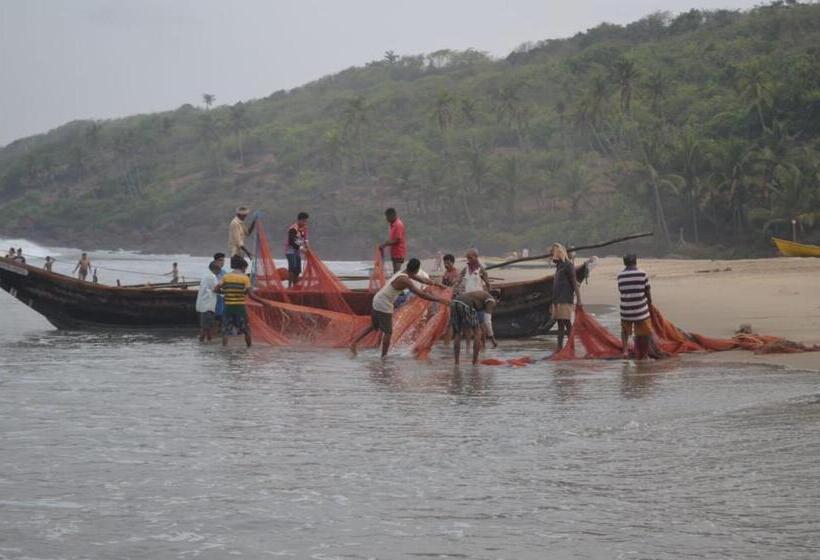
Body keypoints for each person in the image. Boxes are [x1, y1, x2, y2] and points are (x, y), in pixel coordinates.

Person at [350, 257, 449, 358]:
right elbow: (420, 294)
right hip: (384, 303)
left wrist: (438, 284)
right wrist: (439, 299)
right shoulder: (405, 280)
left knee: (375, 326)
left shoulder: (404, 273)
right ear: (416, 269)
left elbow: (422, 279)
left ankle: (354, 343)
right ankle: (383, 357)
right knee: (388, 332)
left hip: (377, 299)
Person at [618, 254, 653, 360]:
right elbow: (647, 291)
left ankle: (624, 351)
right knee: (645, 332)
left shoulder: (620, 275)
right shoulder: (642, 273)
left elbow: (621, 290)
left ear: (624, 263)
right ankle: (645, 353)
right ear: (635, 261)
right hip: (640, 309)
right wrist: (650, 304)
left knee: (625, 331)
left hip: (626, 310)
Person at [215, 255, 253, 347]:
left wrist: (225, 292)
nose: (245, 270)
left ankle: (225, 351)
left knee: (225, 332)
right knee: (246, 331)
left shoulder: (226, 277)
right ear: (243, 267)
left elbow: (216, 289)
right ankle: (249, 350)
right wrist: (243, 293)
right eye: (245, 268)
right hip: (240, 307)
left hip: (228, 307)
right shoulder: (245, 278)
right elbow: (250, 294)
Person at [451, 290, 497, 365]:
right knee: (478, 332)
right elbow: (487, 321)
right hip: (466, 305)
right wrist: (493, 339)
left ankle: (457, 362)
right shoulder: (491, 300)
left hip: (454, 302)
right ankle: (475, 361)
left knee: (457, 334)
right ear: (496, 299)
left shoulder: (480, 295)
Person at [550, 242, 581, 349]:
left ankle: (570, 347)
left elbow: (574, 282)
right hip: (557, 300)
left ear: (560, 254)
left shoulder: (568, 265)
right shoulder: (559, 266)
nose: (553, 255)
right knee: (560, 325)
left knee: (566, 324)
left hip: (565, 299)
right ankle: (560, 348)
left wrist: (579, 300)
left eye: (554, 253)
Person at [196, 261, 221, 342]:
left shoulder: (206, 275)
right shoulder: (212, 277)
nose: (220, 268)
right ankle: (206, 344)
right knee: (207, 327)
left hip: (204, 305)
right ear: (215, 269)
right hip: (208, 306)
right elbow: (216, 289)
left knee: (205, 327)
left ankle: (204, 345)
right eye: (219, 267)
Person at [285, 212, 309, 287]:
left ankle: (295, 285)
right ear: (299, 220)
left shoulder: (304, 228)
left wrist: (307, 246)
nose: (305, 222)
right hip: (290, 251)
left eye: (306, 221)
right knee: (292, 267)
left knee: (298, 270)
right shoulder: (293, 228)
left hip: (297, 251)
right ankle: (289, 286)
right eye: (304, 221)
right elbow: (292, 241)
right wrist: (301, 248)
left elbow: (305, 239)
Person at [379, 207, 407, 274]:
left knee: (397, 272)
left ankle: (399, 283)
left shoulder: (398, 225)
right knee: (395, 272)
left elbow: (397, 240)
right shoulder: (393, 225)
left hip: (398, 252)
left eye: (387, 217)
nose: (387, 219)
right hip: (394, 252)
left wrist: (385, 244)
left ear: (392, 215)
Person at [211, 252, 227, 325]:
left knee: (220, 316)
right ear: (216, 261)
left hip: (221, 298)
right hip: (212, 298)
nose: (222, 262)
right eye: (221, 260)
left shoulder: (224, 273)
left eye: (223, 260)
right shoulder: (211, 272)